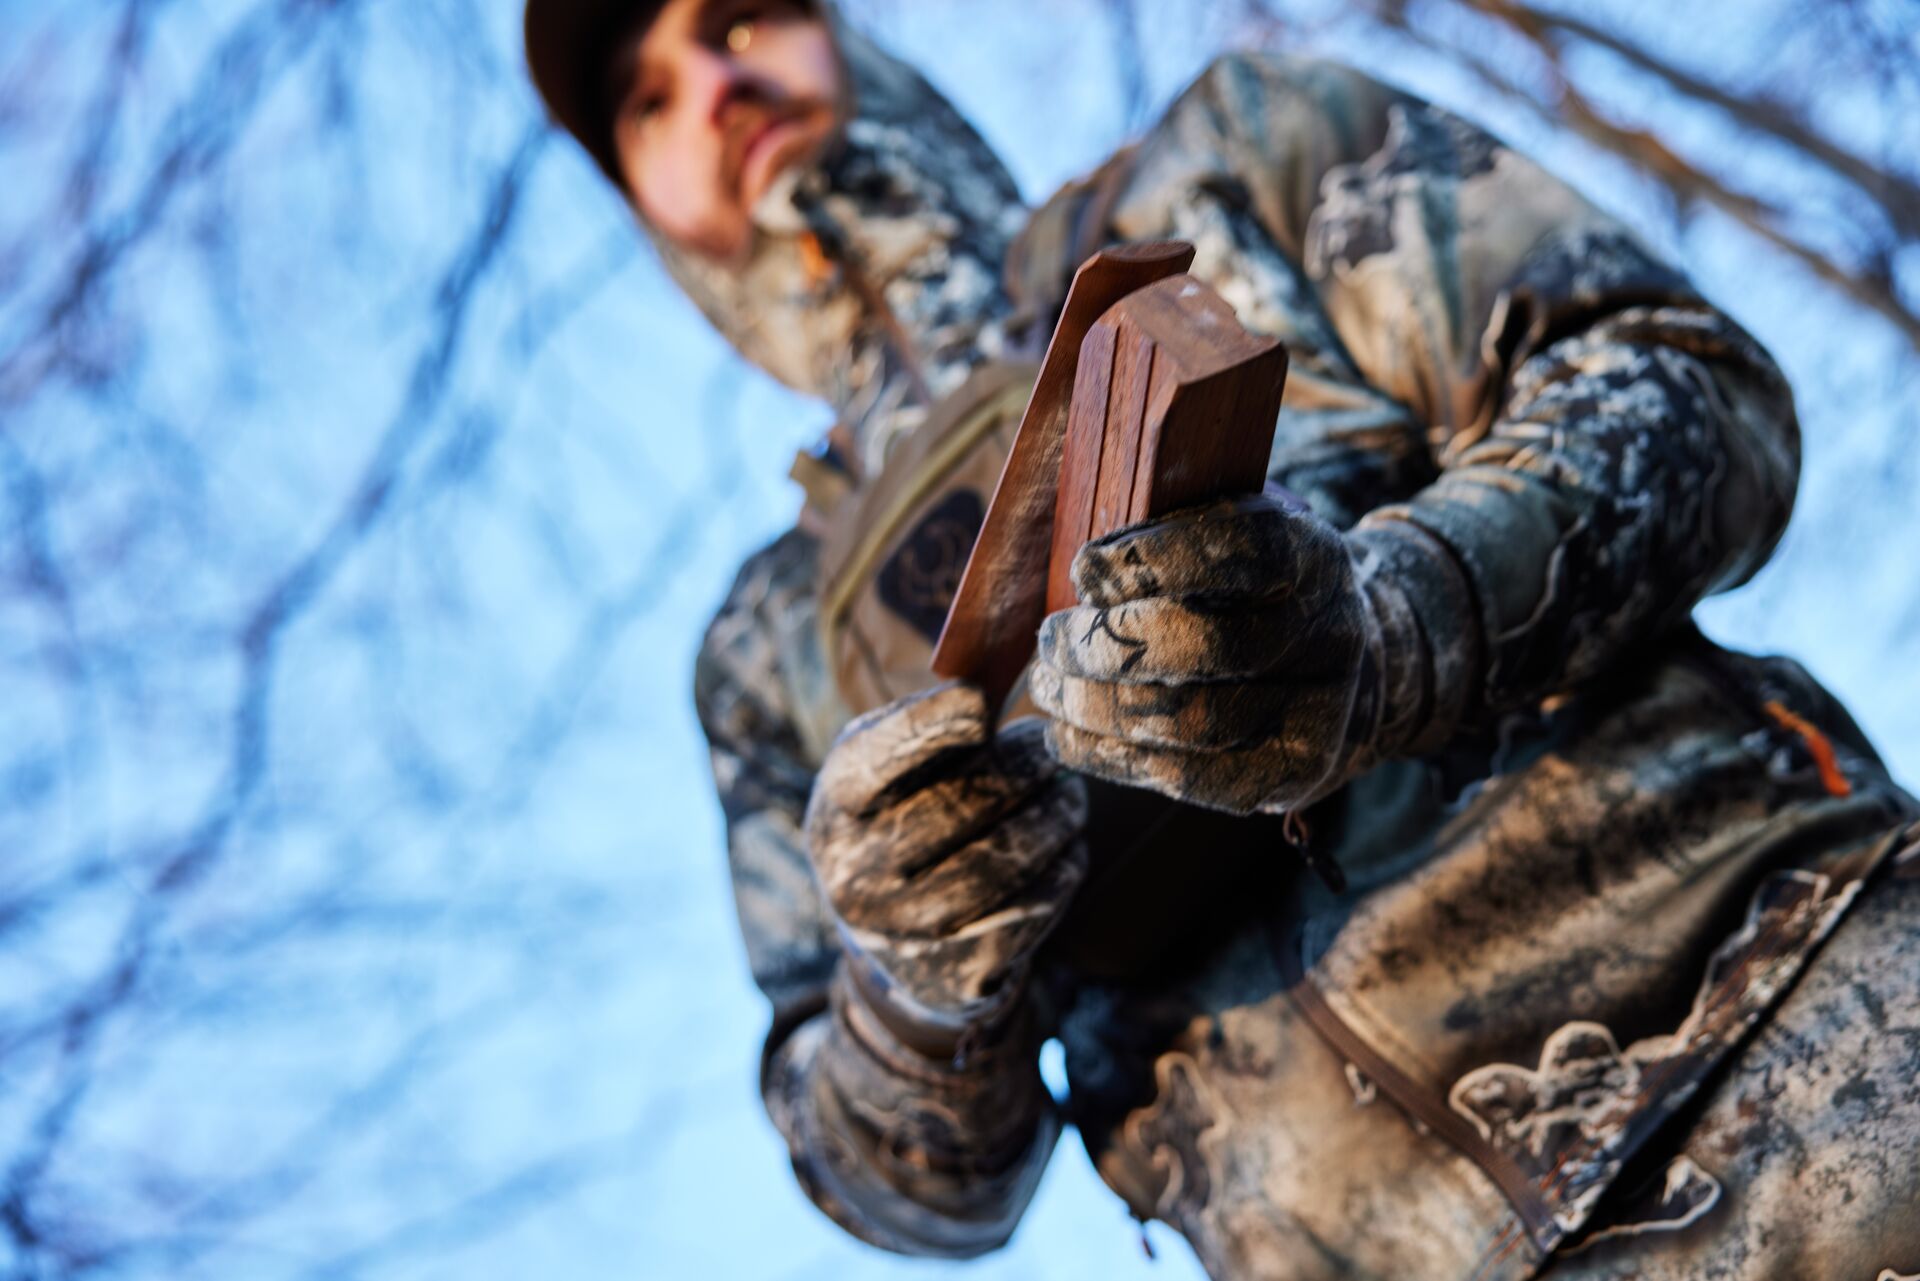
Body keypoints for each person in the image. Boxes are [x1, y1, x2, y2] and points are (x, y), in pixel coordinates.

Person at [524, 2, 1920, 1276]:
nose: (712, 83)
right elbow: (899, 1189)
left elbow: (1690, 387)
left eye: (738, 16)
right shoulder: (767, 659)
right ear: (649, 208)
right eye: (646, 100)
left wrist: (1394, 619)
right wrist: (916, 984)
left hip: (1823, 1054)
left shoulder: (1232, 163)